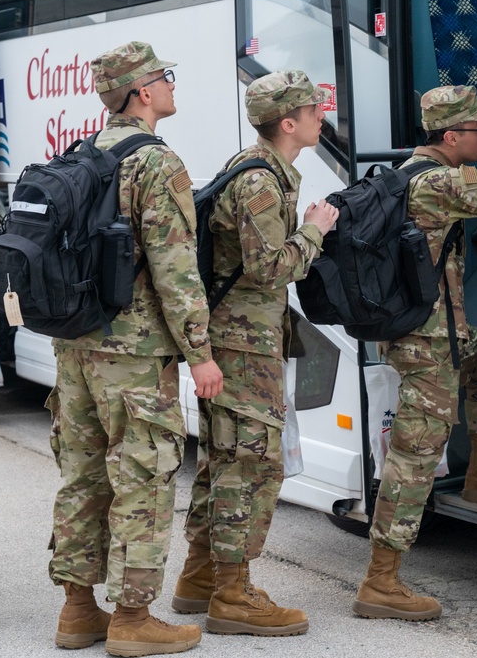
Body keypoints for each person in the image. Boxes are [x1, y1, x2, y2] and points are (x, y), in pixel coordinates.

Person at [46, 41, 222, 657]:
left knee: (84, 475)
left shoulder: (79, 156)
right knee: (144, 476)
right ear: (143, 92)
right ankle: (132, 618)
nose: (171, 87)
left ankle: (76, 611)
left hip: (75, 346)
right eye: (164, 78)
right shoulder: (155, 163)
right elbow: (176, 271)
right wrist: (199, 352)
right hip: (134, 351)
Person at [353, 85, 477, 621]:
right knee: (414, 456)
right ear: (451, 136)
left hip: (429, 332)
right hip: (428, 341)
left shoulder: (399, 175)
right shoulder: (442, 181)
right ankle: (381, 582)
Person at [173, 70, 338, 636]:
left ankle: (200, 578)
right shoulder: (262, 182)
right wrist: (314, 231)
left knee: (223, 461)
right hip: (243, 347)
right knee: (251, 464)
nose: (323, 118)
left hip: (238, 341)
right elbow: (270, 268)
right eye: (315, 111)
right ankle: (233, 593)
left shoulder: (258, 170)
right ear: (288, 123)